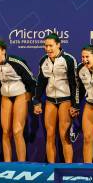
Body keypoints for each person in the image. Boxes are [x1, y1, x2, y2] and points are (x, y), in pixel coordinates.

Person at [34, 33, 79, 163]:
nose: (48, 49)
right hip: (50, 101)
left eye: (50, 46)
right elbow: (41, 82)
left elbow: (74, 84)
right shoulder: (44, 60)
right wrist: (36, 101)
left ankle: (69, 168)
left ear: (58, 45)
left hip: (65, 100)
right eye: (45, 46)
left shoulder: (69, 59)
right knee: (49, 135)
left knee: (65, 136)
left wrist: (75, 104)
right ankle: (51, 169)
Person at [0, 40, 35, 162]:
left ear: (3, 51)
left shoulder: (16, 62)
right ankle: (8, 164)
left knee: (17, 131)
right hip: (5, 97)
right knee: (5, 132)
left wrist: (33, 100)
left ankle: (21, 164)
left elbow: (31, 80)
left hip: (20, 95)